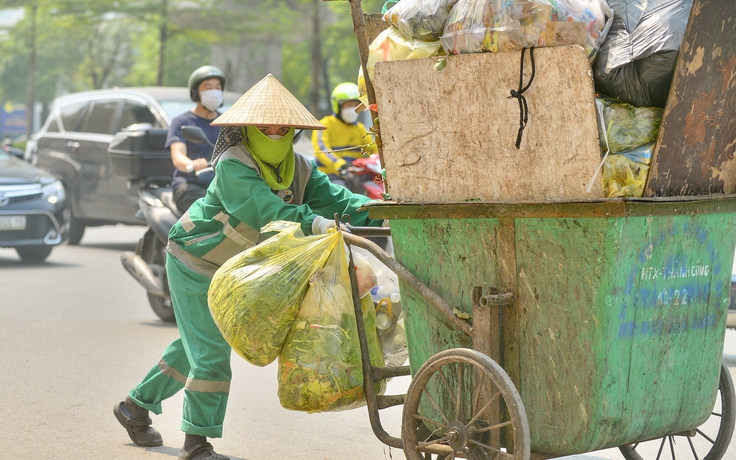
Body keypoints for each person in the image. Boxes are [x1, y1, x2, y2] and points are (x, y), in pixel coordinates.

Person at [114, 73, 383, 460]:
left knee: (197, 346)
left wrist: (382, 210)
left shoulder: (302, 169)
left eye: (282, 127)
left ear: (293, 131)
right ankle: (196, 442)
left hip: (235, 269)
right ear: (246, 128)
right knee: (209, 353)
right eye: (264, 127)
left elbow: (339, 200)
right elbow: (263, 210)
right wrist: (313, 222)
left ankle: (135, 407)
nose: (274, 133)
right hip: (194, 260)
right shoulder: (233, 164)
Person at [167, 65, 226, 212]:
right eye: (208, 87)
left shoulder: (228, 123)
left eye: (218, 87)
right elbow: (178, 156)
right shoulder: (181, 122)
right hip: (190, 185)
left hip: (223, 184)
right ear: (195, 93)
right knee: (214, 210)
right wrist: (193, 164)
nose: (214, 91)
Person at [311, 82, 377, 186]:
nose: (353, 108)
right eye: (349, 105)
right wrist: (341, 166)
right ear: (338, 106)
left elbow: (374, 150)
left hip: (355, 176)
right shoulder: (324, 125)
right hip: (330, 177)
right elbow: (322, 149)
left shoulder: (360, 128)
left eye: (356, 105)